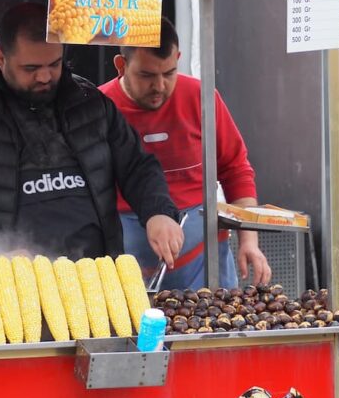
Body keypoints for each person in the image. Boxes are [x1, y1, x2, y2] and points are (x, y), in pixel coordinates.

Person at [0, 2, 184, 264]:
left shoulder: (89, 101)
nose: (46, 77)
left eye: (54, 64)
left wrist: (157, 212)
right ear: (1, 58)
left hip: (93, 276)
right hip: (8, 282)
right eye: (31, 68)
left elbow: (138, 166)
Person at [99, 17, 271, 290]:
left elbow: (236, 169)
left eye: (168, 73)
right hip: (126, 265)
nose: (159, 86)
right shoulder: (100, 108)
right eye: (146, 75)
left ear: (178, 58)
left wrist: (249, 241)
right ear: (121, 66)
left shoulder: (201, 97)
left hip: (204, 262)